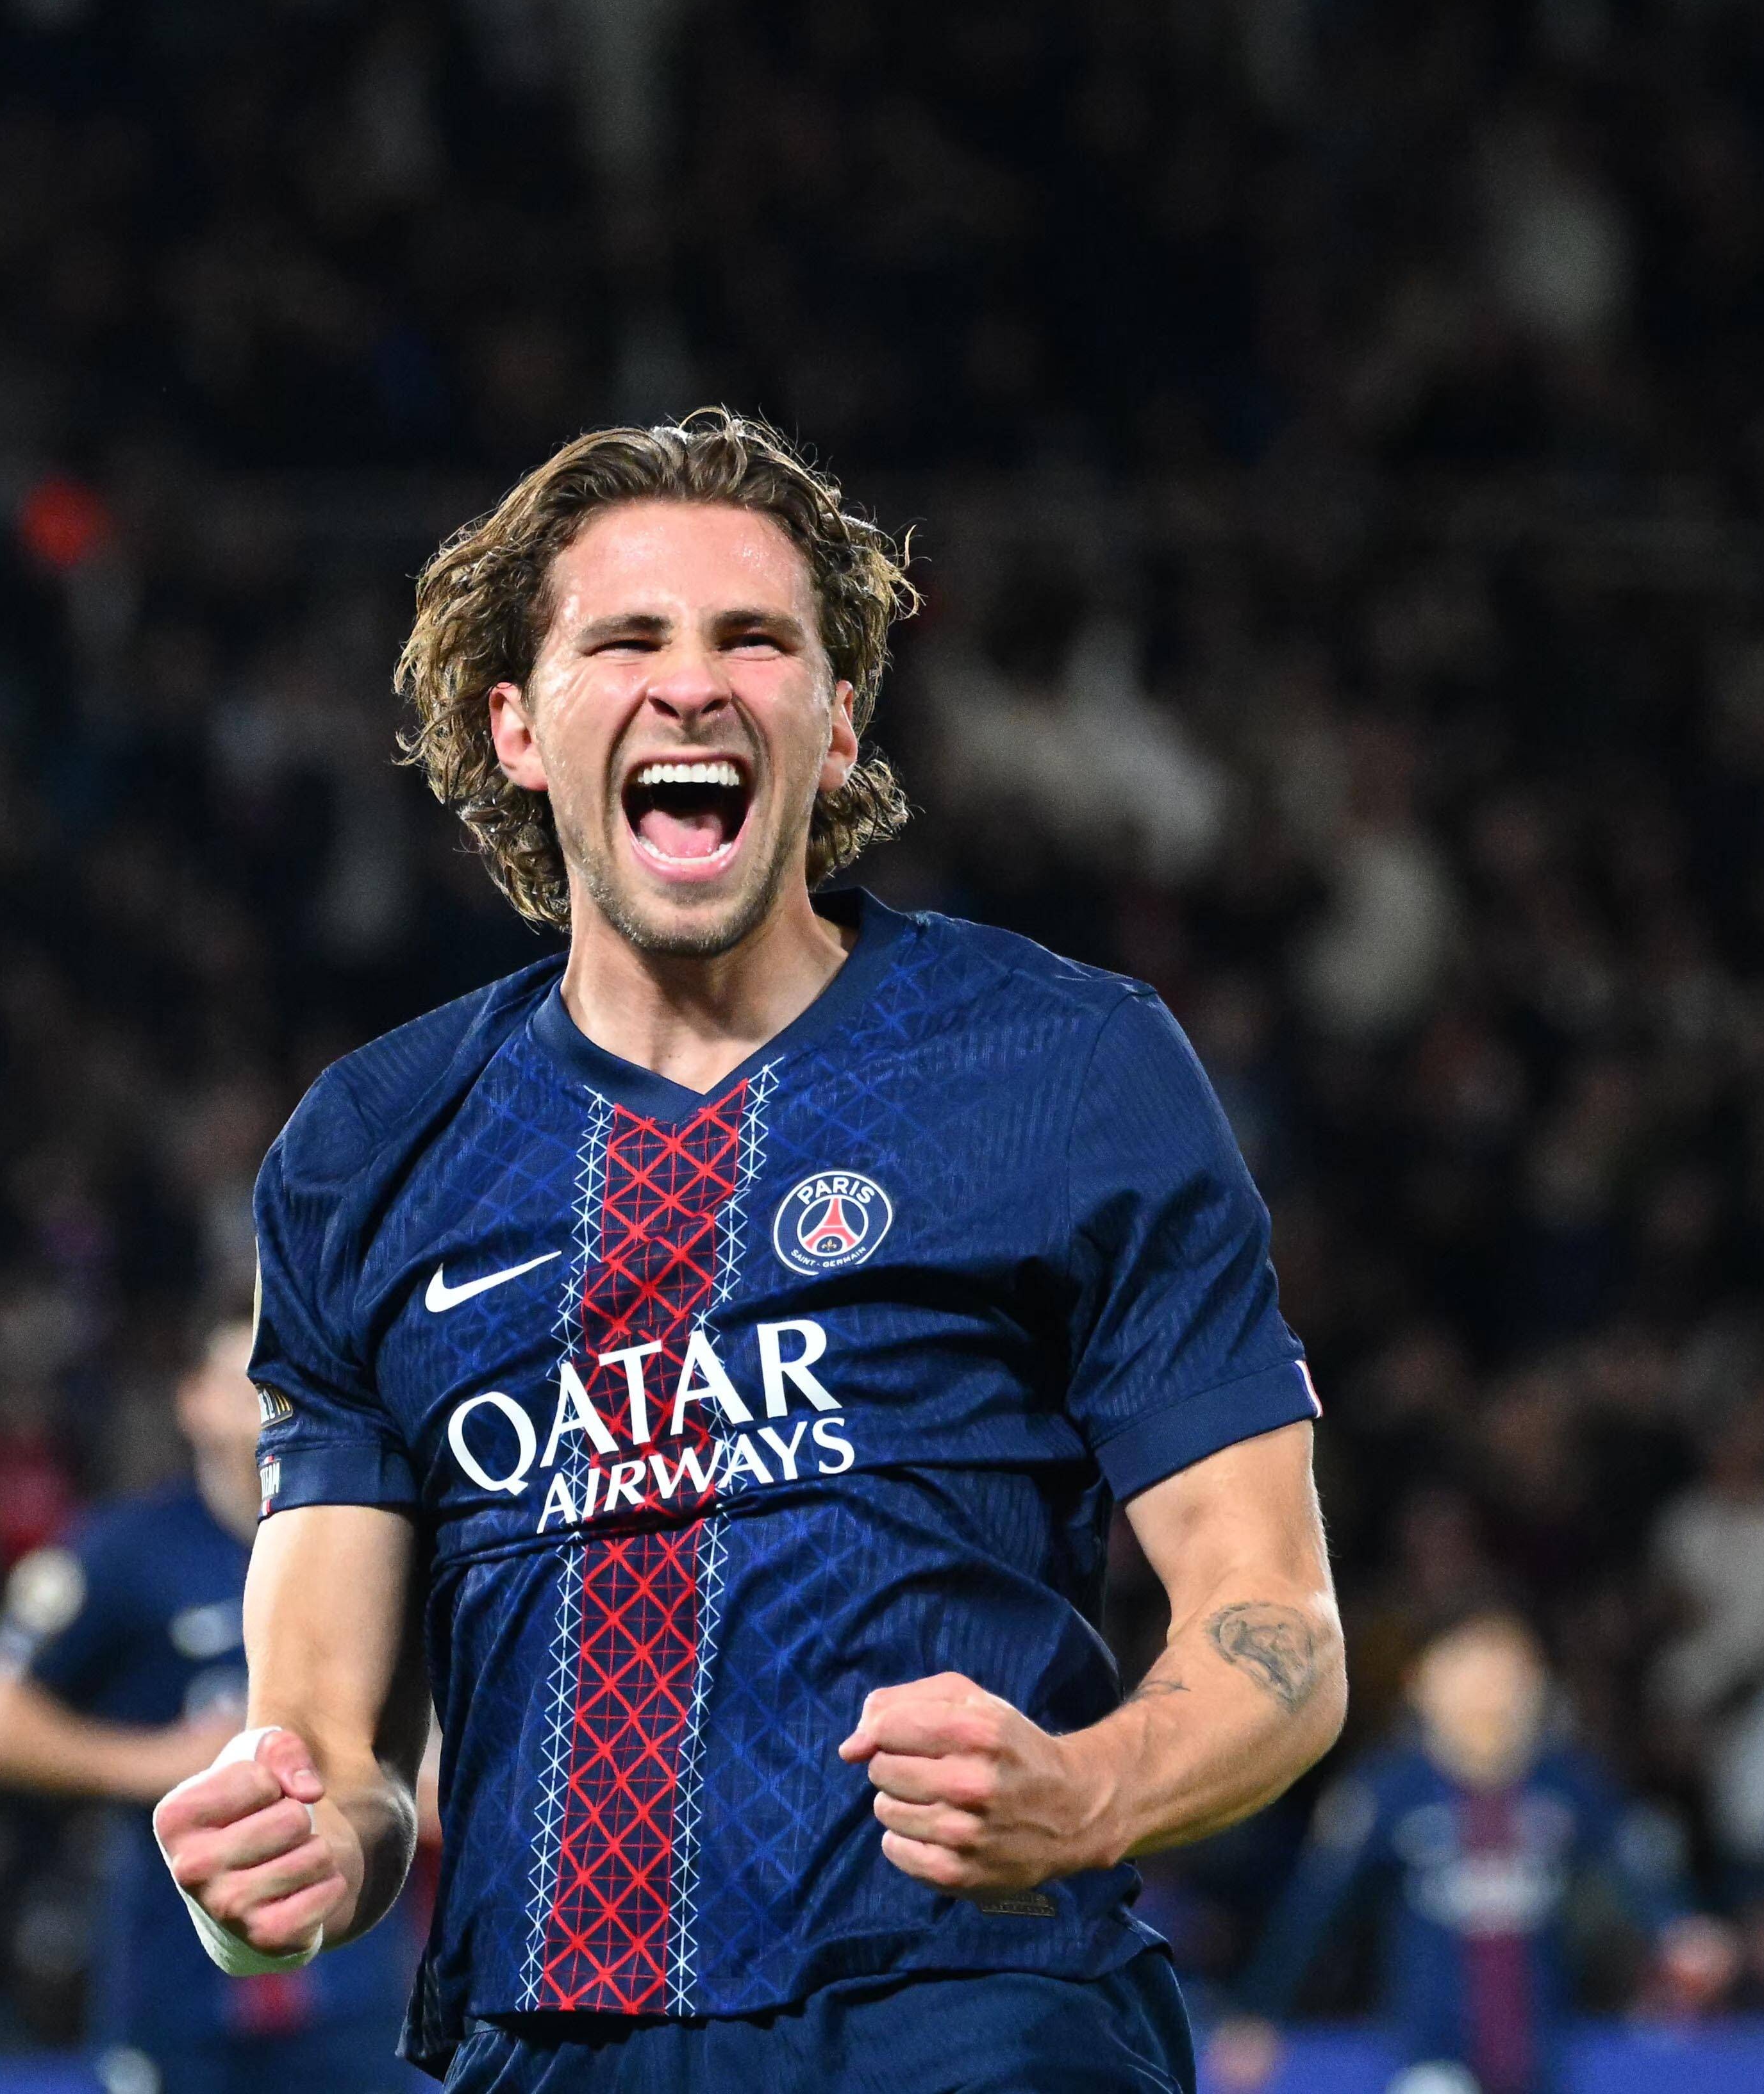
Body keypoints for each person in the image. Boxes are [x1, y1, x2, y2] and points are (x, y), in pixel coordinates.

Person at [146, 410, 1347, 2091]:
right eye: (627, 640)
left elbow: (1274, 1619)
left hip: (970, 2020)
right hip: (553, 2046)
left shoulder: (1063, 1067)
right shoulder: (367, 1149)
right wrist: (283, 1864)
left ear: (837, 722)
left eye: (755, 640)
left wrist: (1092, 1788)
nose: (694, 687)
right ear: (516, 727)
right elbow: (335, 1759)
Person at [0, 1314, 433, 2093]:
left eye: (285, 1380)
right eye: (246, 1382)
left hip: (352, 1982)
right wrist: (166, 1760)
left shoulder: (376, 1545)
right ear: (192, 1401)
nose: (268, 1401)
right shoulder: (125, 1548)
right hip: (175, 1979)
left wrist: (409, 1781)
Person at [1213, 1608, 1733, 2094]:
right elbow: (1317, 1909)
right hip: (1432, 2052)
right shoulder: (1389, 1792)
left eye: (1510, 1672)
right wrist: (1259, 2013)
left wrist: (1678, 1927)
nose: (1493, 1691)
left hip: (1539, 2053)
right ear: (1423, 1684)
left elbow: (1633, 1861)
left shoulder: (1567, 1784)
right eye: (1472, 1669)